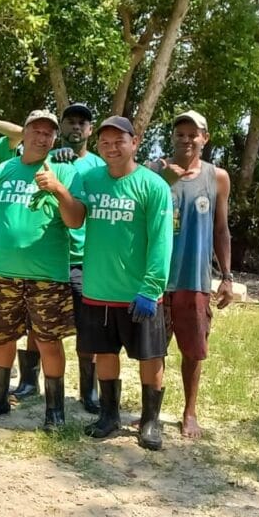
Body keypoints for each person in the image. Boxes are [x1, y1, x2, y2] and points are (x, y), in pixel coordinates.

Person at [0, 110, 84, 431]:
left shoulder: (64, 171)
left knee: (47, 341)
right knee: (2, 338)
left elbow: (75, 220)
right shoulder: (4, 169)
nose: (42, 137)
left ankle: (55, 411)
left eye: (49, 133)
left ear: (54, 139)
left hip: (47, 276)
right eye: (36, 130)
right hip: (2, 272)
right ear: (25, 132)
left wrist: (58, 189)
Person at [75, 116, 173, 451]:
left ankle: (149, 421)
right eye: (105, 142)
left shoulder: (153, 186)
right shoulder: (89, 179)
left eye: (119, 141)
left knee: (151, 357)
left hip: (139, 294)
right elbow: (72, 212)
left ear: (135, 142)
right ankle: (109, 415)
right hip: (97, 290)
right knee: (104, 353)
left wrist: (151, 287)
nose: (112, 148)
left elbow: (161, 241)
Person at [151, 110, 234, 439]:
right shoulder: (154, 170)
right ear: (171, 136)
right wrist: (163, 181)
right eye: (180, 133)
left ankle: (189, 412)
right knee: (153, 348)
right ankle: (151, 413)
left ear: (205, 138)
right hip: (156, 276)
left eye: (193, 134)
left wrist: (226, 276)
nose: (186, 139)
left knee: (193, 349)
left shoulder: (217, 177)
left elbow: (221, 228)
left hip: (194, 278)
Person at [49, 102, 104, 412]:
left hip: (85, 260)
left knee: (89, 330)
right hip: (49, 258)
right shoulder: (48, 161)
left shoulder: (98, 167)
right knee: (42, 327)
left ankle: (89, 391)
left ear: (90, 130)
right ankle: (30, 382)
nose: (76, 127)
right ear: (61, 127)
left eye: (82, 123)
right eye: (70, 121)